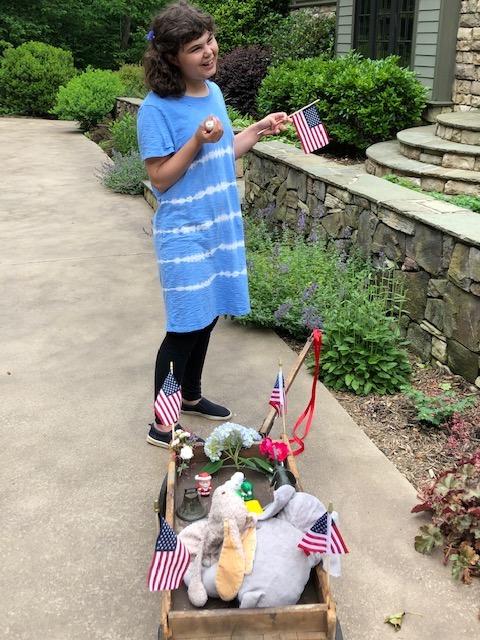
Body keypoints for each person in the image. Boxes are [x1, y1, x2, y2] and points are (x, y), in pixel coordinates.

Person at [137, 0, 289, 447]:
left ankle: (190, 394)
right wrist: (195, 140)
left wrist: (257, 129)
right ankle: (162, 424)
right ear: (170, 58)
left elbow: (222, 151)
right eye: (195, 48)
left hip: (218, 227)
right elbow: (161, 178)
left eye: (210, 41)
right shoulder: (156, 108)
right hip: (184, 231)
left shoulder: (214, 92)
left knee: (206, 319)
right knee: (184, 326)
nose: (209, 52)